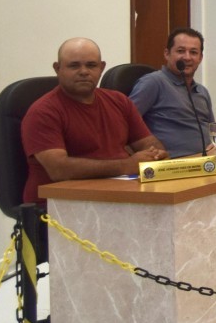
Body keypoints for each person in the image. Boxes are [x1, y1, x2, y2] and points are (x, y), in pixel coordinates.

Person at [20, 38, 168, 204]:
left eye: (91, 65)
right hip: (60, 206)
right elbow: (59, 169)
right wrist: (127, 165)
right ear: (57, 68)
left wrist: (155, 155)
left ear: (101, 68)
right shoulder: (43, 111)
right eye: (74, 66)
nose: (84, 72)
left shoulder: (119, 101)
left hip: (117, 195)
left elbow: (148, 143)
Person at [129, 27, 216, 156]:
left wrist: (215, 144)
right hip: (171, 163)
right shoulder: (153, 82)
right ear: (167, 54)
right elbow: (124, 122)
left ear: (200, 58)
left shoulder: (202, 91)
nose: (187, 57)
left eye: (193, 52)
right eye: (181, 51)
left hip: (205, 161)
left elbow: (212, 131)